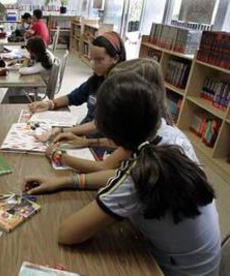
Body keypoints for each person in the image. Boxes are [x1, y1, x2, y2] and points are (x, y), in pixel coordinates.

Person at [38, 73, 221, 275]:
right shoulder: (166, 140)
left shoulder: (137, 176)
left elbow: (67, 233)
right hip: (199, 266)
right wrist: (65, 182)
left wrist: (64, 171)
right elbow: (114, 174)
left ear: (110, 133)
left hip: (167, 270)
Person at [24, 59, 193, 194]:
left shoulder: (156, 144)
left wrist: (58, 156)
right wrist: (87, 143)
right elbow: (120, 169)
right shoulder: (151, 128)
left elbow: (111, 171)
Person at [48, 58, 175, 173]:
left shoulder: (154, 135)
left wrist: (57, 155)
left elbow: (105, 168)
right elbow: (123, 149)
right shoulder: (148, 123)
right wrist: (86, 142)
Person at [28, 32, 126, 140]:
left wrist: (62, 131)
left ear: (115, 58)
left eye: (99, 60)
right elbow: (73, 97)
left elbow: (98, 126)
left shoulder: (120, 89)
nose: (93, 64)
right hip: (84, 133)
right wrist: (50, 104)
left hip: (98, 141)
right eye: (92, 59)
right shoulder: (97, 80)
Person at [1, 37, 55, 103]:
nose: (29, 53)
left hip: (43, 86)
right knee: (15, 88)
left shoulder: (41, 65)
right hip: (44, 82)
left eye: (30, 51)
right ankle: (10, 103)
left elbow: (22, 71)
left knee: (14, 87)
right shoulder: (46, 54)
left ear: (35, 51)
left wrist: (26, 59)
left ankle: (5, 106)